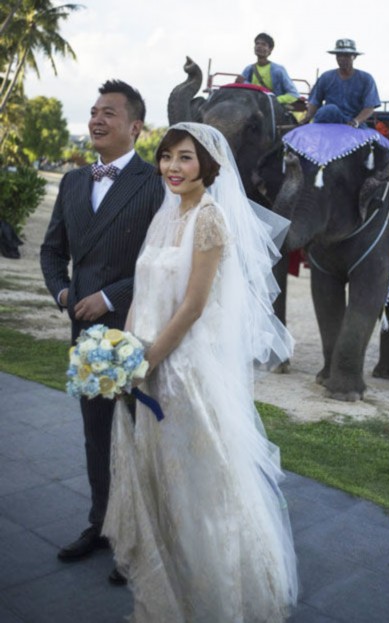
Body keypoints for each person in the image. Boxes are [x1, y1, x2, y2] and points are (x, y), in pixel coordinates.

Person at [102, 122, 298, 621]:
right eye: (167, 156)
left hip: (183, 370)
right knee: (160, 483)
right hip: (146, 362)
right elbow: (143, 289)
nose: (172, 166)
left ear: (208, 166)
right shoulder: (165, 214)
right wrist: (119, 351)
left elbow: (191, 307)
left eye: (185, 158)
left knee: (198, 489)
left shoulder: (210, 219)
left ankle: (214, 598)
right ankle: (168, 588)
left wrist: (146, 361)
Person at [40, 80, 165, 576]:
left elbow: (164, 262)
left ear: (135, 127)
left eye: (108, 113)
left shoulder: (156, 182)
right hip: (87, 335)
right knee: (97, 435)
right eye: (93, 111)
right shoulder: (72, 182)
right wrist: (64, 292)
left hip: (135, 328)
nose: (97, 119)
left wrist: (111, 295)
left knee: (136, 435)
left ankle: (137, 537)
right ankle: (101, 524)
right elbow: (52, 251)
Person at [301, 38, 381, 128]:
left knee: (370, 139)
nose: (342, 59)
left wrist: (356, 121)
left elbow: (369, 107)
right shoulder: (326, 77)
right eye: (339, 55)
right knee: (329, 110)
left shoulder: (366, 79)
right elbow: (314, 101)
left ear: (354, 57)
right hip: (330, 120)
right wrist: (307, 118)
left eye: (346, 55)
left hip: (353, 123)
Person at [236, 32, 303, 107]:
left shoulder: (278, 70)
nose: (259, 46)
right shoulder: (248, 69)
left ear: (270, 49)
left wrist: (273, 100)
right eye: (257, 43)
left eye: (263, 44)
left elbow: (294, 94)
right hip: (252, 108)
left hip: (272, 110)